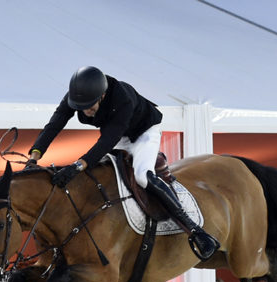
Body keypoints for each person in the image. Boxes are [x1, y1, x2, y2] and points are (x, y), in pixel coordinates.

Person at [28, 66, 219, 261]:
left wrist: (78, 165)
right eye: (82, 107)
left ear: (102, 95)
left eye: (90, 106)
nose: (86, 111)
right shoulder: (78, 96)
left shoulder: (122, 97)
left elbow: (107, 140)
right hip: (118, 135)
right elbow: (54, 124)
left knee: (142, 176)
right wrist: (34, 156)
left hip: (143, 133)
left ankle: (195, 230)